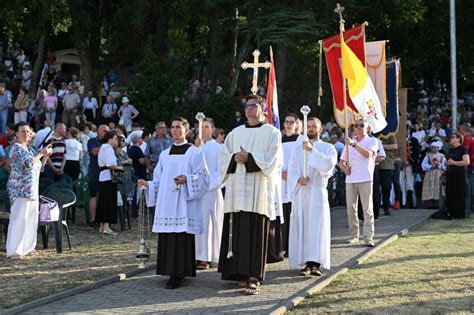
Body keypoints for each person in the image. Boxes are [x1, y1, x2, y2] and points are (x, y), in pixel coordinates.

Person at [218, 95, 283, 295]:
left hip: (258, 192)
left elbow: (274, 159)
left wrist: (250, 158)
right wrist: (233, 157)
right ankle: (239, 273)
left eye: (254, 105)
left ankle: (254, 276)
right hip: (237, 191)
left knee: (256, 233)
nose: (249, 109)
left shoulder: (272, 133)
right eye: (247, 106)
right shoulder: (235, 133)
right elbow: (222, 156)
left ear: (263, 109)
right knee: (237, 231)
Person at [138, 116, 209, 289]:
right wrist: (148, 184)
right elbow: (159, 180)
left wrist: (187, 179)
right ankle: (168, 270)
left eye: (178, 127)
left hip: (184, 202)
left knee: (181, 236)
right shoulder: (164, 154)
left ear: (186, 130)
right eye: (173, 127)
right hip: (167, 203)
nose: (175, 130)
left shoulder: (195, 152)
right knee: (169, 237)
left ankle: (180, 273)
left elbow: (204, 178)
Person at [287, 117, 337, 276]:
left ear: (321, 129)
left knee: (316, 228)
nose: (310, 129)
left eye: (314, 126)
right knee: (303, 227)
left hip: (317, 191)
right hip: (301, 193)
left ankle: (315, 263)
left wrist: (311, 150)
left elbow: (327, 166)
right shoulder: (297, 149)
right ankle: (305, 263)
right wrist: (297, 179)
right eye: (308, 126)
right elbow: (292, 169)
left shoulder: (328, 148)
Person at [6, 122, 52, 258]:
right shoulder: (15, 148)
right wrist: (41, 153)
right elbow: (28, 163)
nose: (26, 134)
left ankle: (28, 247)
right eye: (22, 131)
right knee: (19, 219)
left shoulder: (31, 149)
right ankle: (15, 250)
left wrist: (46, 156)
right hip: (19, 190)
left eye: (27, 131)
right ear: (16, 134)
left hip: (32, 188)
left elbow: (38, 167)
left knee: (31, 219)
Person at [338, 118, 378, 247]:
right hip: (351, 179)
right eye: (356, 125)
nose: (359, 127)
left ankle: (368, 237)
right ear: (353, 128)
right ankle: (353, 235)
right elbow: (341, 161)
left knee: (367, 209)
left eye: (362, 125)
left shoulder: (372, 141)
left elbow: (368, 154)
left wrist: (353, 144)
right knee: (351, 209)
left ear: (367, 128)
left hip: (365, 178)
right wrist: (345, 169)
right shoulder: (349, 142)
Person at [194, 117, 224, 270]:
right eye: (202, 127)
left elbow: (223, 172)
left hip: (211, 191)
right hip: (195, 193)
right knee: (197, 223)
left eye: (207, 126)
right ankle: (197, 255)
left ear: (213, 130)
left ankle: (208, 257)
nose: (204, 129)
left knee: (210, 224)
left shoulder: (219, 149)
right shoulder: (194, 149)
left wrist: (207, 184)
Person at [278, 113, 302, 260]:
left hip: (294, 182)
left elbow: (302, 160)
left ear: (297, 125)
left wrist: (292, 174)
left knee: (293, 214)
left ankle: (294, 246)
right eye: (286, 122)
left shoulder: (300, 140)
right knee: (282, 215)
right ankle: (283, 246)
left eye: (291, 122)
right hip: (280, 181)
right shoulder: (279, 140)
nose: (288, 124)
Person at [96, 130, 123, 234]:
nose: (117, 141)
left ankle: (102, 226)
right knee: (107, 201)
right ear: (110, 139)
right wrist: (120, 167)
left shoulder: (104, 148)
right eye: (115, 138)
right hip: (108, 177)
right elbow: (110, 164)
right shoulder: (107, 148)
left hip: (105, 177)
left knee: (103, 201)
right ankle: (106, 227)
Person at [87, 125, 109, 225]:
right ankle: (93, 219)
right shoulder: (92, 141)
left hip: (107, 173)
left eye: (108, 131)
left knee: (104, 196)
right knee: (94, 196)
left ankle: (103, 219)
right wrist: (106, 146)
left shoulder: (109, 141)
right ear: (98, 132)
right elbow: (94, 152)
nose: (106, 133)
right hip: (95, 172)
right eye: (104, 131)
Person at [445, 132, 470, 219]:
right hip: (450, 174)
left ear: (458, 139)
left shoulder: (463, 149)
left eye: (452, 137)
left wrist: (453, 162)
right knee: (450, 194)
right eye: (450, 137)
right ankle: (450, 213)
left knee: (459, 194)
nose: (451, 139)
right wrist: (447, 163)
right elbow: (448, 160)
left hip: (459, 174)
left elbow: (466, 162)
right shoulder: (450, 150)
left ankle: (459, 214)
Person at [421, 141, 446, 208]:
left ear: (438, 148)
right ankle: (429, 204)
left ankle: (437, 203)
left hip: (438, 173)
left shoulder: (442, 156)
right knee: (429, 186)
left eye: (435, 147)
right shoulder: (428, 155)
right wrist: (429, 166)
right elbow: (423, 164)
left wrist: (439, 165)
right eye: (432, 147)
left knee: (437, 186)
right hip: (430, 173)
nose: (434, 149)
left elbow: (444, 165)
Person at [378, 135, 398, 216]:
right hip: (374, 164)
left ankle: (386, 206)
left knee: (386, 187)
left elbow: (394, 146)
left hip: (387, 164)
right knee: (374, 189)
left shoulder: (390, 133)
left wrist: (381, 145)